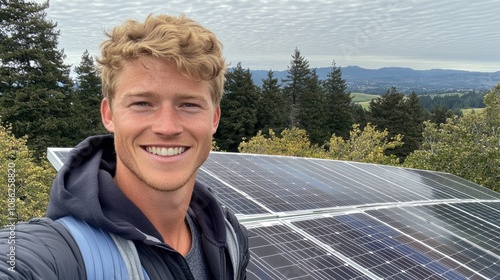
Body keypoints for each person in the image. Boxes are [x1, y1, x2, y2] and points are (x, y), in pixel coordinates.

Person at [0, 14, 249, 279]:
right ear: (108, 115)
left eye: (189, 104)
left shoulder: (228, 236)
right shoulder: (63, 252)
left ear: (214, 118)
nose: (167, 127)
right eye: (142, 103)